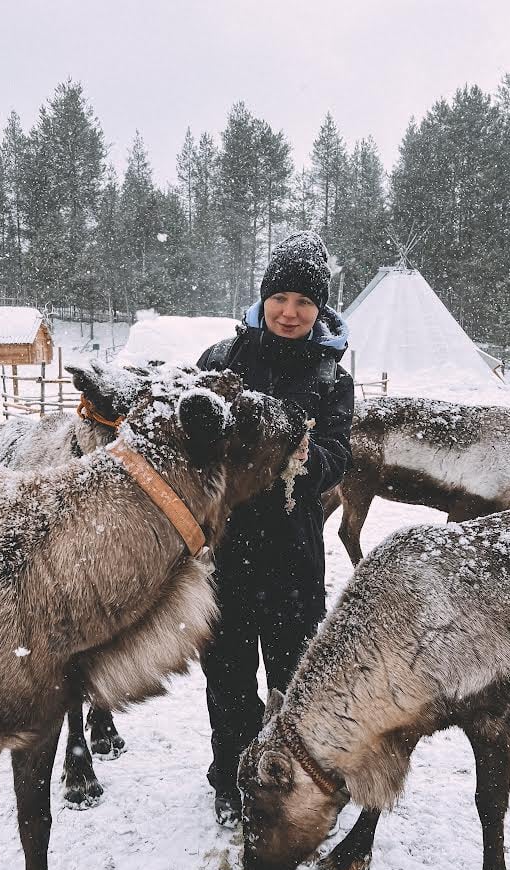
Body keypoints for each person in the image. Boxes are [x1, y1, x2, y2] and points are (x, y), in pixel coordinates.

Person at [197, 230, 354, 825]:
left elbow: (337, 455)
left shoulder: (331, 378)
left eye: (304, 302)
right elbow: (190, 447)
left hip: (294, 554)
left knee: (295, 683)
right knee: (230, 681)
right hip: (227, 553)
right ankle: (230, 778)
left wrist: (290, 448)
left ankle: (288, 778)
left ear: (319, 310)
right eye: (280, 298)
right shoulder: (221, 360)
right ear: (263, 299)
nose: (290, 312)